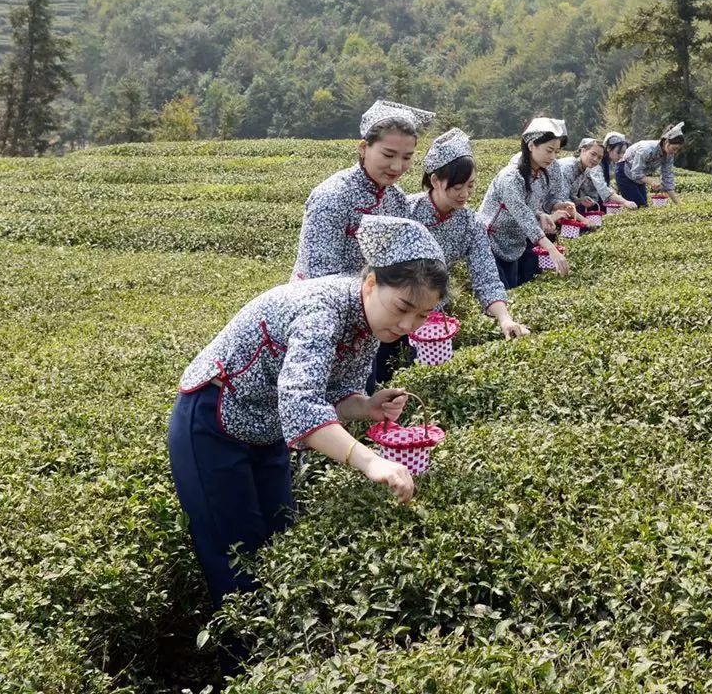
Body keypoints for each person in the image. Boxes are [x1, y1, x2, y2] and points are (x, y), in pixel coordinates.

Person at [169, 215, 445, 671]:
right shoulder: (324, 308)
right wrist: (369, 460)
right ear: (372, 282)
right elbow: (300, 405)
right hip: (212, 421)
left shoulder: (368, 324)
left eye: (422, 316)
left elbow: (328, 398)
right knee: (234, 550)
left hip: (266, 427)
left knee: (279, 535)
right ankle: (246, 668)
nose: (408, 326)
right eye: (402, 308)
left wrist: (366, 407)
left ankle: (282, 659)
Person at [372, 129, 532, 387]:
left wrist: (505, 318)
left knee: (425, 383)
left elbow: (486, 275)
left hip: (429, 317)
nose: (464, 195)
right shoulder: (405, 210)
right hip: (389, 310)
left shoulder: (471, 224)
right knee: (381, 378)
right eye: (457, 187)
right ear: (435, 181)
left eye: (470, 186)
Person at [292, 100, 436, 280]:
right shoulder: (332, 196)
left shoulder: (396, 198)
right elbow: (318, 276)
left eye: (407, 157)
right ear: (363, 148)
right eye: (388, 155)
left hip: (376, 302)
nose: (397, 166)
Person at [477, 117, 573, 288]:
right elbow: (523, 215)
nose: (552, 157)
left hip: (514, 244)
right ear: (531, 146)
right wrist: (551, 249)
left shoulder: (540, 174)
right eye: (549, 150)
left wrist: (545, 212)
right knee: (498, 297)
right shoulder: (510, 177)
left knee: (514, 294)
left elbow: (532, 206)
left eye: (556, 152)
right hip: (490, 243)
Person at [554, 137, 637, 215]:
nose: (595, 159)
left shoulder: (586, 169)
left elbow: (570, 196)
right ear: (583, 151)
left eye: (599, 157)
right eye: (593, 154)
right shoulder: (569, 166)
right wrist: (583, 220)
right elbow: (562, 199)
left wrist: (580, 200)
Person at [614, 122, 686, 208]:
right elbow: (636, 172)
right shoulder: (646, 150)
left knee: (644, 206)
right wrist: (652, 182)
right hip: (624, 172)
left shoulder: (669, 156)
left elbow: (667, 179)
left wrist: (679, 204)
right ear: (666, 141)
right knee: (637, 206)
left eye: (677, 150)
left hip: (639, 176)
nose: (675, 152)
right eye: (674, 149)